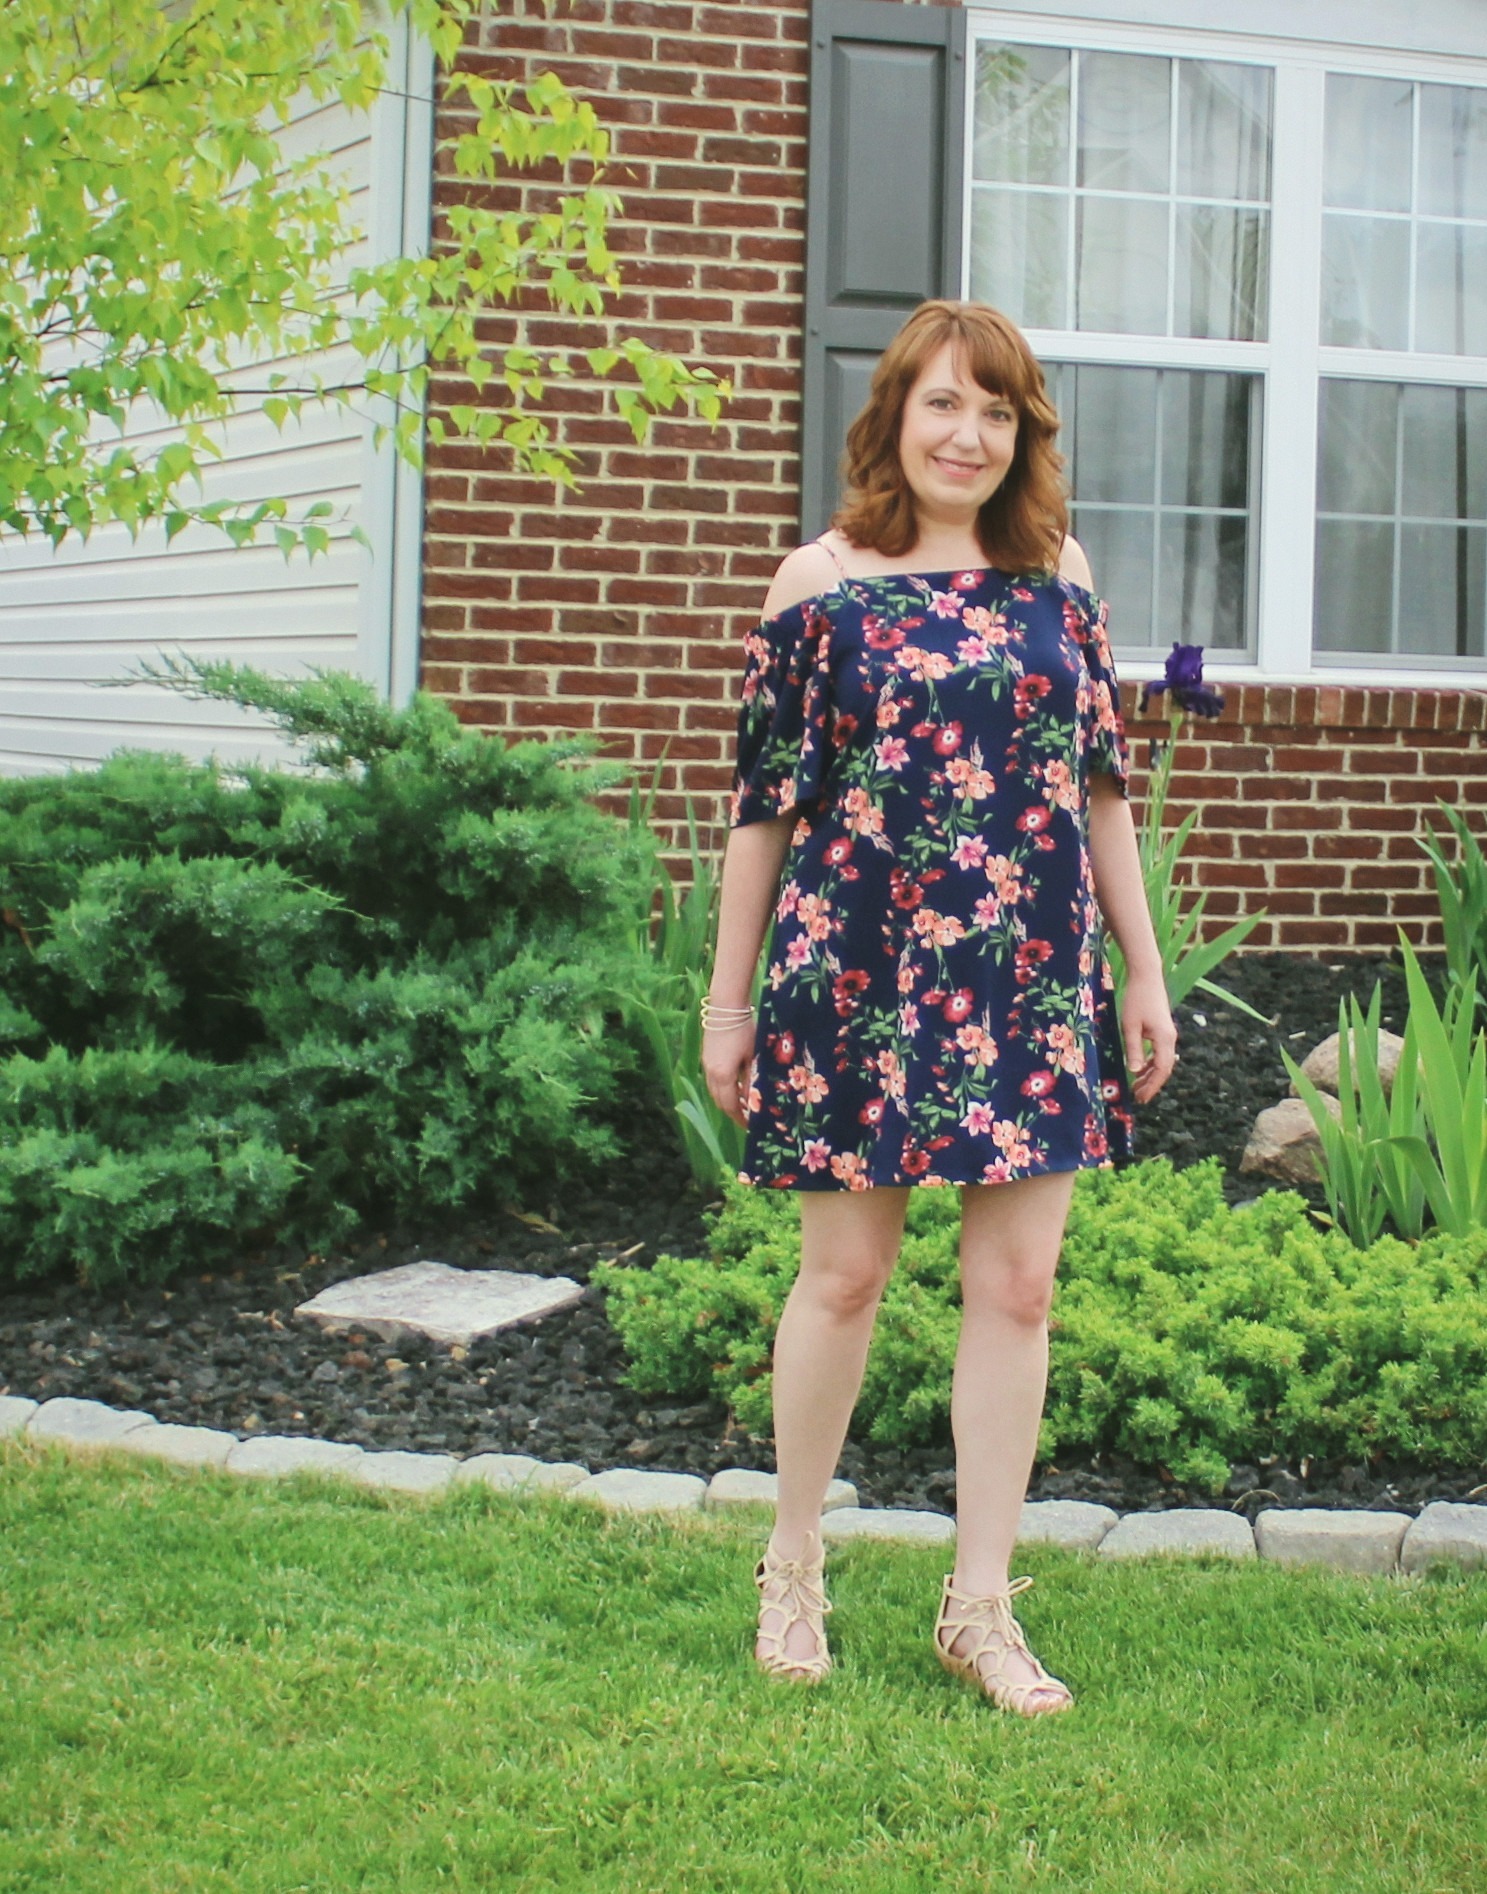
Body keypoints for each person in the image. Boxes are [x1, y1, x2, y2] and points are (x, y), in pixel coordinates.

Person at [701, 298, 1178, 1716]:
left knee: (1018, 1288)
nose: (968, 434)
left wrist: (1142, 968)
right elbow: (761, 811)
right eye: (942, 406)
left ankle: (982, 1604)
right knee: (843, 1277)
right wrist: (729, 1006)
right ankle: (794, 1562)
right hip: (856, 970)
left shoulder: (1058, 577)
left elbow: (1098, 785)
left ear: (1021, 434)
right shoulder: (819, 582)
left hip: (1027, 975)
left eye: (997, 410)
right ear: (894, 422)